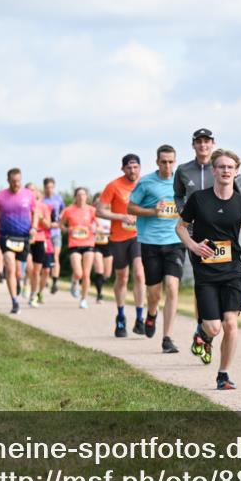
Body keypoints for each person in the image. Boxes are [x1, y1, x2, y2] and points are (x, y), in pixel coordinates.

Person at [177, 149, 241, 390]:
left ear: (236, 172)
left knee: (230, 323)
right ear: (213, 171)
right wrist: (193, 246)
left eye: (230, 167)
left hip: (233, 271)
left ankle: (223, 374)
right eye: (221, 167)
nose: (225, 171)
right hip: (206, 273)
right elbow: (181, 228)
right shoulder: (199, 199)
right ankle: (201, 334)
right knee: (213, 327)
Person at [174, 128, 241, 353]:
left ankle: (205, 331)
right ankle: (206, 327)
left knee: (224, 305)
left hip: (225, 234)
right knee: (205, 281)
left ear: (212, 144)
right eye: (199, 141)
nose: (203, 145)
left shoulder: (226, 167)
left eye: (207, 141)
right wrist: (185, 211)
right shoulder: (183, 170)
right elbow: (178, 195)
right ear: (194, 145)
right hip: (197, 234)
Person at [128, 145, 183, 354]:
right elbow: (130, 208)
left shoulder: (182, 181)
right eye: (164, 162)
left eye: (171, 161)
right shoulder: (147, 182)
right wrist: (152, 211)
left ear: (175, 162)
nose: (167, 166)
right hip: (150, 242)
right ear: (157, 162)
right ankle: (151, 315)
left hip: (175, 241)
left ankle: (167, 338)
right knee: (154, 293)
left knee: (172, 286)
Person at [97, 154, 147, 338]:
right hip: (118, 238)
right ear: (123, 169)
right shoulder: (114, 186)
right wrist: (121, 216)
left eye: (135, 167)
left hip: (138, 236)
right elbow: (100, 210)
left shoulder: (145, 184)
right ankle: (120, 316)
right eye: (129, 168)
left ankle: (140, 318)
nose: (132, 171)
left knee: (140, 274)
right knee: (122, 278)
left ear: (140, 168)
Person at [0, 168, 38, 314]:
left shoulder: (28, 194)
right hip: (6, 236)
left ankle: (17, 283)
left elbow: (35, 211)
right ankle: (14, 301)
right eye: (13, 181)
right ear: (8, 181)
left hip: (23, 237)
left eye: (19, 181)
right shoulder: (0, 196)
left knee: (19, 273)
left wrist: (34, 226)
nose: (16, 184)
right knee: (9, 265)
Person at [60, 187, 98, 309]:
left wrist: (95, 229)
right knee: (78, 272)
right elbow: (61, 224)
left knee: (86, 274)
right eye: (79, 195)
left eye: (83, 195)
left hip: (89, 243)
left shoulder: (92, 210)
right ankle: (74, 282)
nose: (81, 197)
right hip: (74, 244)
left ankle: (84, 299)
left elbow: (99, 226)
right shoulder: (69, 210)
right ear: (75, 197)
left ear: (87, 197)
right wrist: (67, 230)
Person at [26, 183, 53, 307]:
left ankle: (33, 294)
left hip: (40, 238)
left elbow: (48, 225)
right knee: (29, 268)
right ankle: (26, 285)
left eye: (33, 190)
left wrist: (41, 218)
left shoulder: (44, 207)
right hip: (26, 238)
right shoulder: (23, 206)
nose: (31, 192)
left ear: (37, 192)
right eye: (28, 190)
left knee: (37, 270)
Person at [42, 178, 66, 294]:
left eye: (51, 187)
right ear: (44, 187)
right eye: (47, 187)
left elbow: (64, 211)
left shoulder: (59, 199)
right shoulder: (41, 200)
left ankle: (55, 282)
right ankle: (45, 278)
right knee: (45, 258)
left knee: (55, 256)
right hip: (44, 234)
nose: (49, 189)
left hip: (56, 233)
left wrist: (60, 220)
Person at [92, 193, 112, 304]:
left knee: (107, 274)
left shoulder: (109, 215)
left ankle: (97, 282)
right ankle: (99, 295)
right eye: (96, 202)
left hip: (108, 244)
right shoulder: (91, 215)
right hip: (95, 245)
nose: (98, 204)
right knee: (99, 269)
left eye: (101, 202)